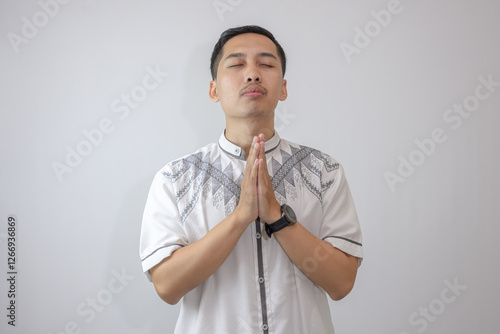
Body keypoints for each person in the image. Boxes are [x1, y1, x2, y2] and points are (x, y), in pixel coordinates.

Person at [140, 25, 363, 334]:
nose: (252, 74)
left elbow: (342, 283)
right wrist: (241, 216)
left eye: (266, 64)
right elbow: (167, 286)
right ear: (213, 90)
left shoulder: (324, 170)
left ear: (283, 88)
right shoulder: (175, 178)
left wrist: (277, 217)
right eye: (236, 64)